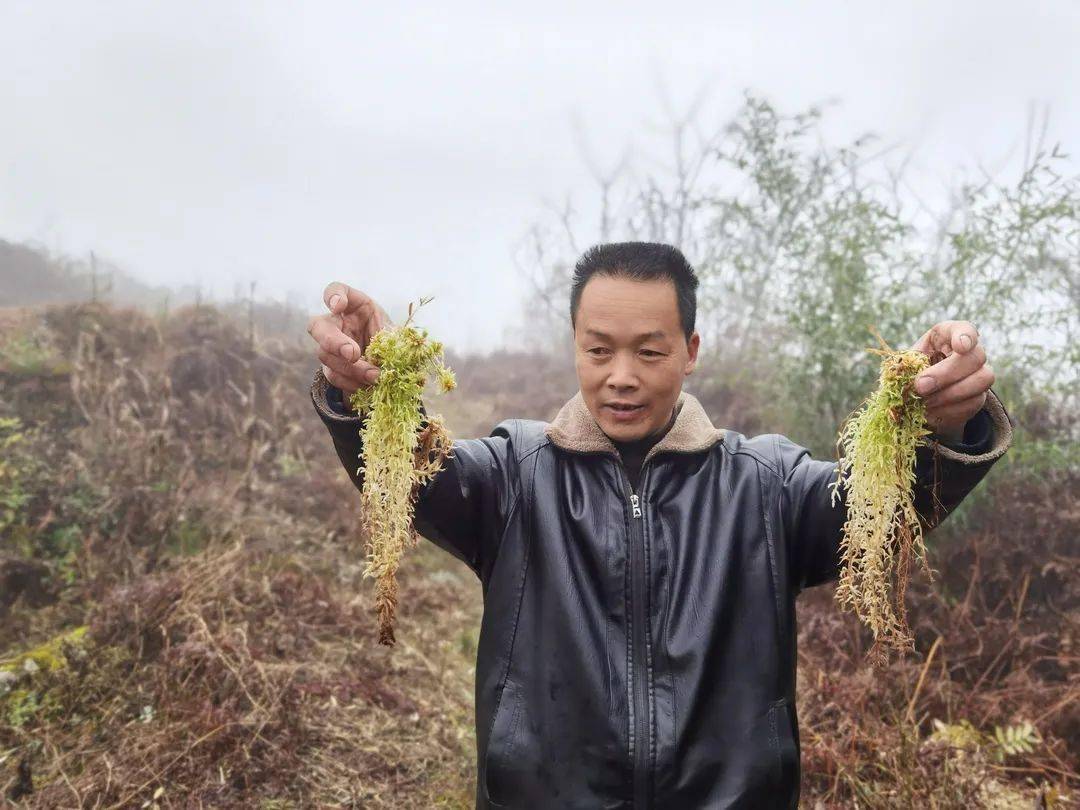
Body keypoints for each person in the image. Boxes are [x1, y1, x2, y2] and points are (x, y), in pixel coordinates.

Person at [307, 242, 1011, 809]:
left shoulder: (763, 486)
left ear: (691, 349)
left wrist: (947, 422)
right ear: (575, 346)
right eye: (598, 350)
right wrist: (369, 393)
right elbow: (408, 474)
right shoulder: (514, 476)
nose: (621, 376)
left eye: (649, 352)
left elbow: (878, 508)